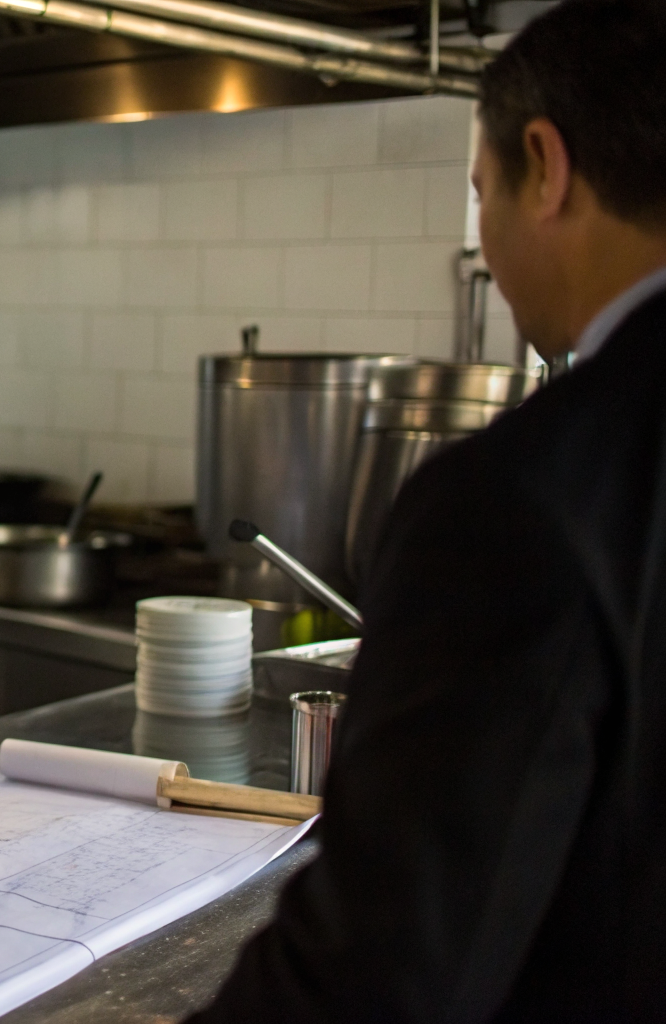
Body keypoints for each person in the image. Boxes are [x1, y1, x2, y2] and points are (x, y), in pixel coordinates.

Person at [188, 2, 666, 1020]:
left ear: (548, 164)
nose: (487, 248)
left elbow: (388, 965)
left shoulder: (525, 496)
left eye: (481, 193)